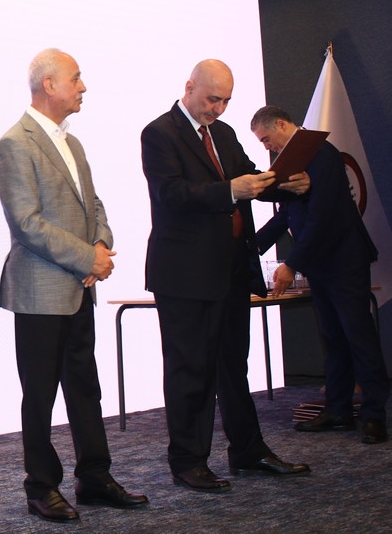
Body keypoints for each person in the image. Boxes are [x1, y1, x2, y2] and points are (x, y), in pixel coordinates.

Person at [141, 59, 311, 492]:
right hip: (185, 273)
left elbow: (251, 177)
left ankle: (248, 450)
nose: (218, 109)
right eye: (212, 99)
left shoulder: (224, 133)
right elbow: (170, 193)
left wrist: (283, 185)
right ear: (189, 88)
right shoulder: (159, 133)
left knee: (234, 365)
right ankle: (188, 461)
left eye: (226, 101)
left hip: (230, 267)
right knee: (190, 369)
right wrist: (228, 190)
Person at [0, 49, 148, 524]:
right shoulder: (13, 143)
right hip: (40, 290)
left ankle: (95, 478)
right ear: (48, 85)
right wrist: (88, 258)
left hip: (80, 286)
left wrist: (101, 244)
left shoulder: (72, 143)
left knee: (85, 388)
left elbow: (92, 205)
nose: (83, 87)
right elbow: (26, 224)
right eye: (75, 79)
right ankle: (41, 487)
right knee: (39, 395)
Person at [251, 106, 388, 444]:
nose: (267, 147)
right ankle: (339, 410)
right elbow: (288, 212)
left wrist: (291, 264)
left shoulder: (320, 152)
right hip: (321, 263)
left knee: (359, 337)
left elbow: (322, 216)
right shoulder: (293, 159)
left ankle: (375, 415)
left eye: (266, 139)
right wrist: (250, 246)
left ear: (281, 125)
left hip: (344, 260)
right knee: (333, 338)